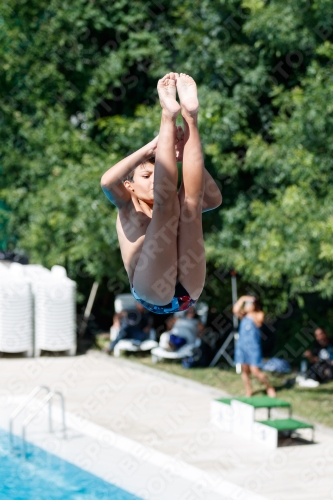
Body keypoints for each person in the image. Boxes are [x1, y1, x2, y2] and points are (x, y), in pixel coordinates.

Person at [101, 73, 222, 314]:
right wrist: (151, 147)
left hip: (187, 292)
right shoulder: (127, 205)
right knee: (168, 207)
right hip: (156, 292)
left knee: (190, 203)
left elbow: (212, 197)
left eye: (157, 173)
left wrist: (183, 152)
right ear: (130, 187)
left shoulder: (169, 201)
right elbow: (107, 181)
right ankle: (168, 115)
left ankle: (191, 116)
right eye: (146, 177)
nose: (155, 179)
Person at [232, 295, 276, 397]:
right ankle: (248, 391)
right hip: (242, 346)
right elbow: (235, 310)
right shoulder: (243, 315)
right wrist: (243, 298)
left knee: (255, 370)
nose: (246, 306)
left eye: (249, 304)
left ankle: (268, 386)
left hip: (253, 347)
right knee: (245, 370)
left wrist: (250, 310)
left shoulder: (258, 314)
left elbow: (258, 322)